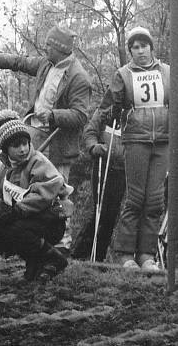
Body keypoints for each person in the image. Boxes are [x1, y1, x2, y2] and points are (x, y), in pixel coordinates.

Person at [0, 24, 90, 254]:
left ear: (61, 49)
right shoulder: (46, 63)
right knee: (21, 189)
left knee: (58, 194)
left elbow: (81, 115)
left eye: (49, 46)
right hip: (34, 138)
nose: (45, 49)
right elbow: (19, 62)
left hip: (59, 145)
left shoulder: (78, 77)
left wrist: (53, 115)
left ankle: (62, 246)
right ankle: (27, 242)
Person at [0, 119, 72, 281]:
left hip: (50, 220)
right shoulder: (4, 168)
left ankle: (54, 258)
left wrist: (16, 211)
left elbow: (43, 196)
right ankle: (34, 261)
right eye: (16, 146)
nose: (23, 149)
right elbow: (3, 198)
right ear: (6, 149)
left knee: (15, 229)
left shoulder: (38, 162)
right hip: (28, 219)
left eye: (25, 143)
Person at [105, 26, 169, 271]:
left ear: (152, 47)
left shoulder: (167, 72)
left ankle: (146, 255)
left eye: (144, 46)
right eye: (135, 47)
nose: (140, 51)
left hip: (162, 140)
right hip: (136, 141)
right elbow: (110, 106)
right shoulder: (123, 74)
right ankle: (124, 254)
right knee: (135, 198)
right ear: (130, 50)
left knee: (154, 201)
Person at [71, 90, 126, 261]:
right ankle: (81, 253)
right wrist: (94, 147)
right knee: (100, 210)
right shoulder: (104, 112)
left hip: (122, 170)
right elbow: (90, 132)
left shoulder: (133, 114)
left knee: (112, 214)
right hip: (103, 165)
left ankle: (98, 256)